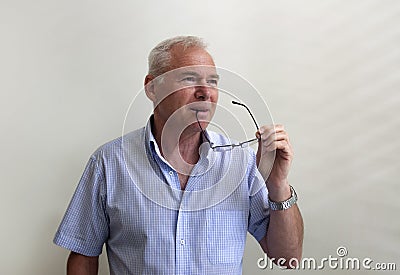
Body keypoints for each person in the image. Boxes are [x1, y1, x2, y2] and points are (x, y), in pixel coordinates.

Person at [54, 36, 303, 275]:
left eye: (213, 81)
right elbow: (83, 256)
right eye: (189, 79)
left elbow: (288, 258)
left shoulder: (243, 163)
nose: (206, 92)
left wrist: (278, 184)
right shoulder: (109, 163)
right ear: (152, 88)